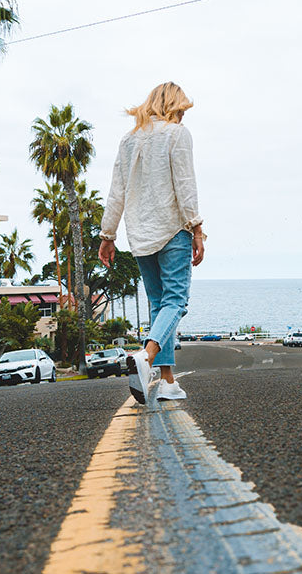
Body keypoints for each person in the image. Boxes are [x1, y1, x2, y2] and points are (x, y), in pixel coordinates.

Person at [98, 82, 205, 408]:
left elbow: (116, 189)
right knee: (176, 301)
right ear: (174, 105)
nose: (184, 114)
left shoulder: (128, 139)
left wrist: (107, 235)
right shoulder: (177, 134)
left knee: (159, 305)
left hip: (140, 236)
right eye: (182, 108)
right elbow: (185, 184)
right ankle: (145, 357)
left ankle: (168, 382)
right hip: (173, 229)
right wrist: (197, 228)